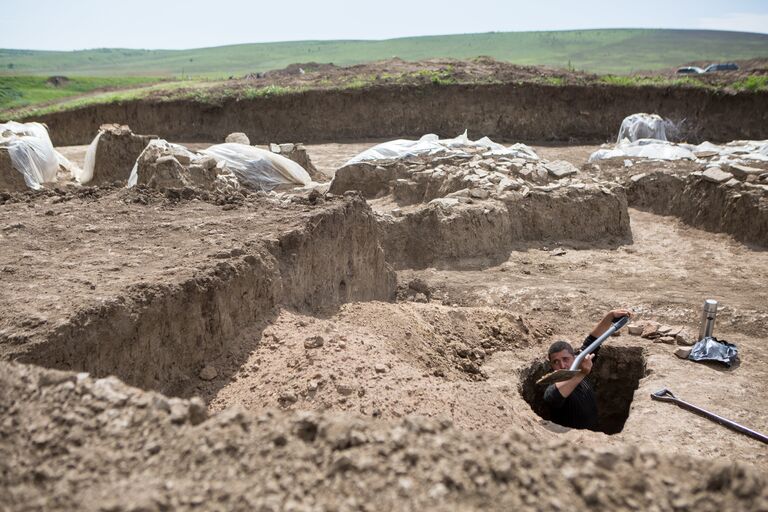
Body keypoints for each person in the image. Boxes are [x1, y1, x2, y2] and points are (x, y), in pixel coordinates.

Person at [543, 309, 632, 431]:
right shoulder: (554, 384)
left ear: (574, 357)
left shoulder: (579, 362)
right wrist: (581, 373)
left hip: (593, 432)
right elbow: (551, 397)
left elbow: (593, 339)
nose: (562, 365)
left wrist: (610, 316)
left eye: (565, 359)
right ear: (551, 366)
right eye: (556, 362)